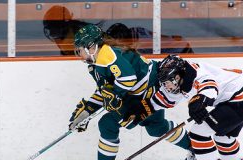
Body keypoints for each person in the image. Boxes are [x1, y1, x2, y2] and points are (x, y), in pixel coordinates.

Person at [68, 24, 194, 160]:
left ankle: (197, 149)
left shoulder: (106, 54)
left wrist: (115, 95)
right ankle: (197, 149)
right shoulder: (97, 63)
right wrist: (87, 111)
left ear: (91, 47)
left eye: (80, 49)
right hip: (146, 91)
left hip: (149, 91)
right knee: (156, 128)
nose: (78, 54)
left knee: (108, 124)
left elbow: (128, 78)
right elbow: (105, 91)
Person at [155, 54, 243, 160]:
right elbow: (161, 101)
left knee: (198, 134)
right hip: (241, 98)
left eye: (167, 81)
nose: (166, 86)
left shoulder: (196, 74)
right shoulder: (186, 75)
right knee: (223, 138)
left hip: (239, 99)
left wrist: (200, 101)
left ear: (177, 76)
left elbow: (210, 85)